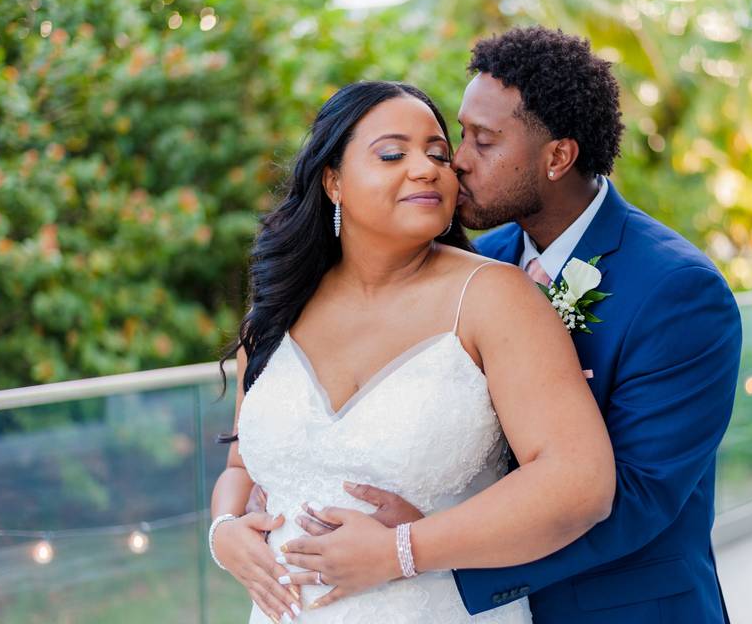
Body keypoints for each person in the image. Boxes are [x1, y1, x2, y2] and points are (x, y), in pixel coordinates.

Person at [285, 27, 743, 623]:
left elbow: (637, 499)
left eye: (484, 141)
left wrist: (420, 550)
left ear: (558, 157)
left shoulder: (679, 292)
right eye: (462, 134)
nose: (458, 161)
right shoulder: (477, 266)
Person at [208, 80, 615, 623]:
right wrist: (224, 531)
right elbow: (243, 465)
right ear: (334, 182)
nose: (427, 169)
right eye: (393, 154)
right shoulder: (277, 312)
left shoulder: (493, 297)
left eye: (439, 155)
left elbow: (579, 483)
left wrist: (401, 550)